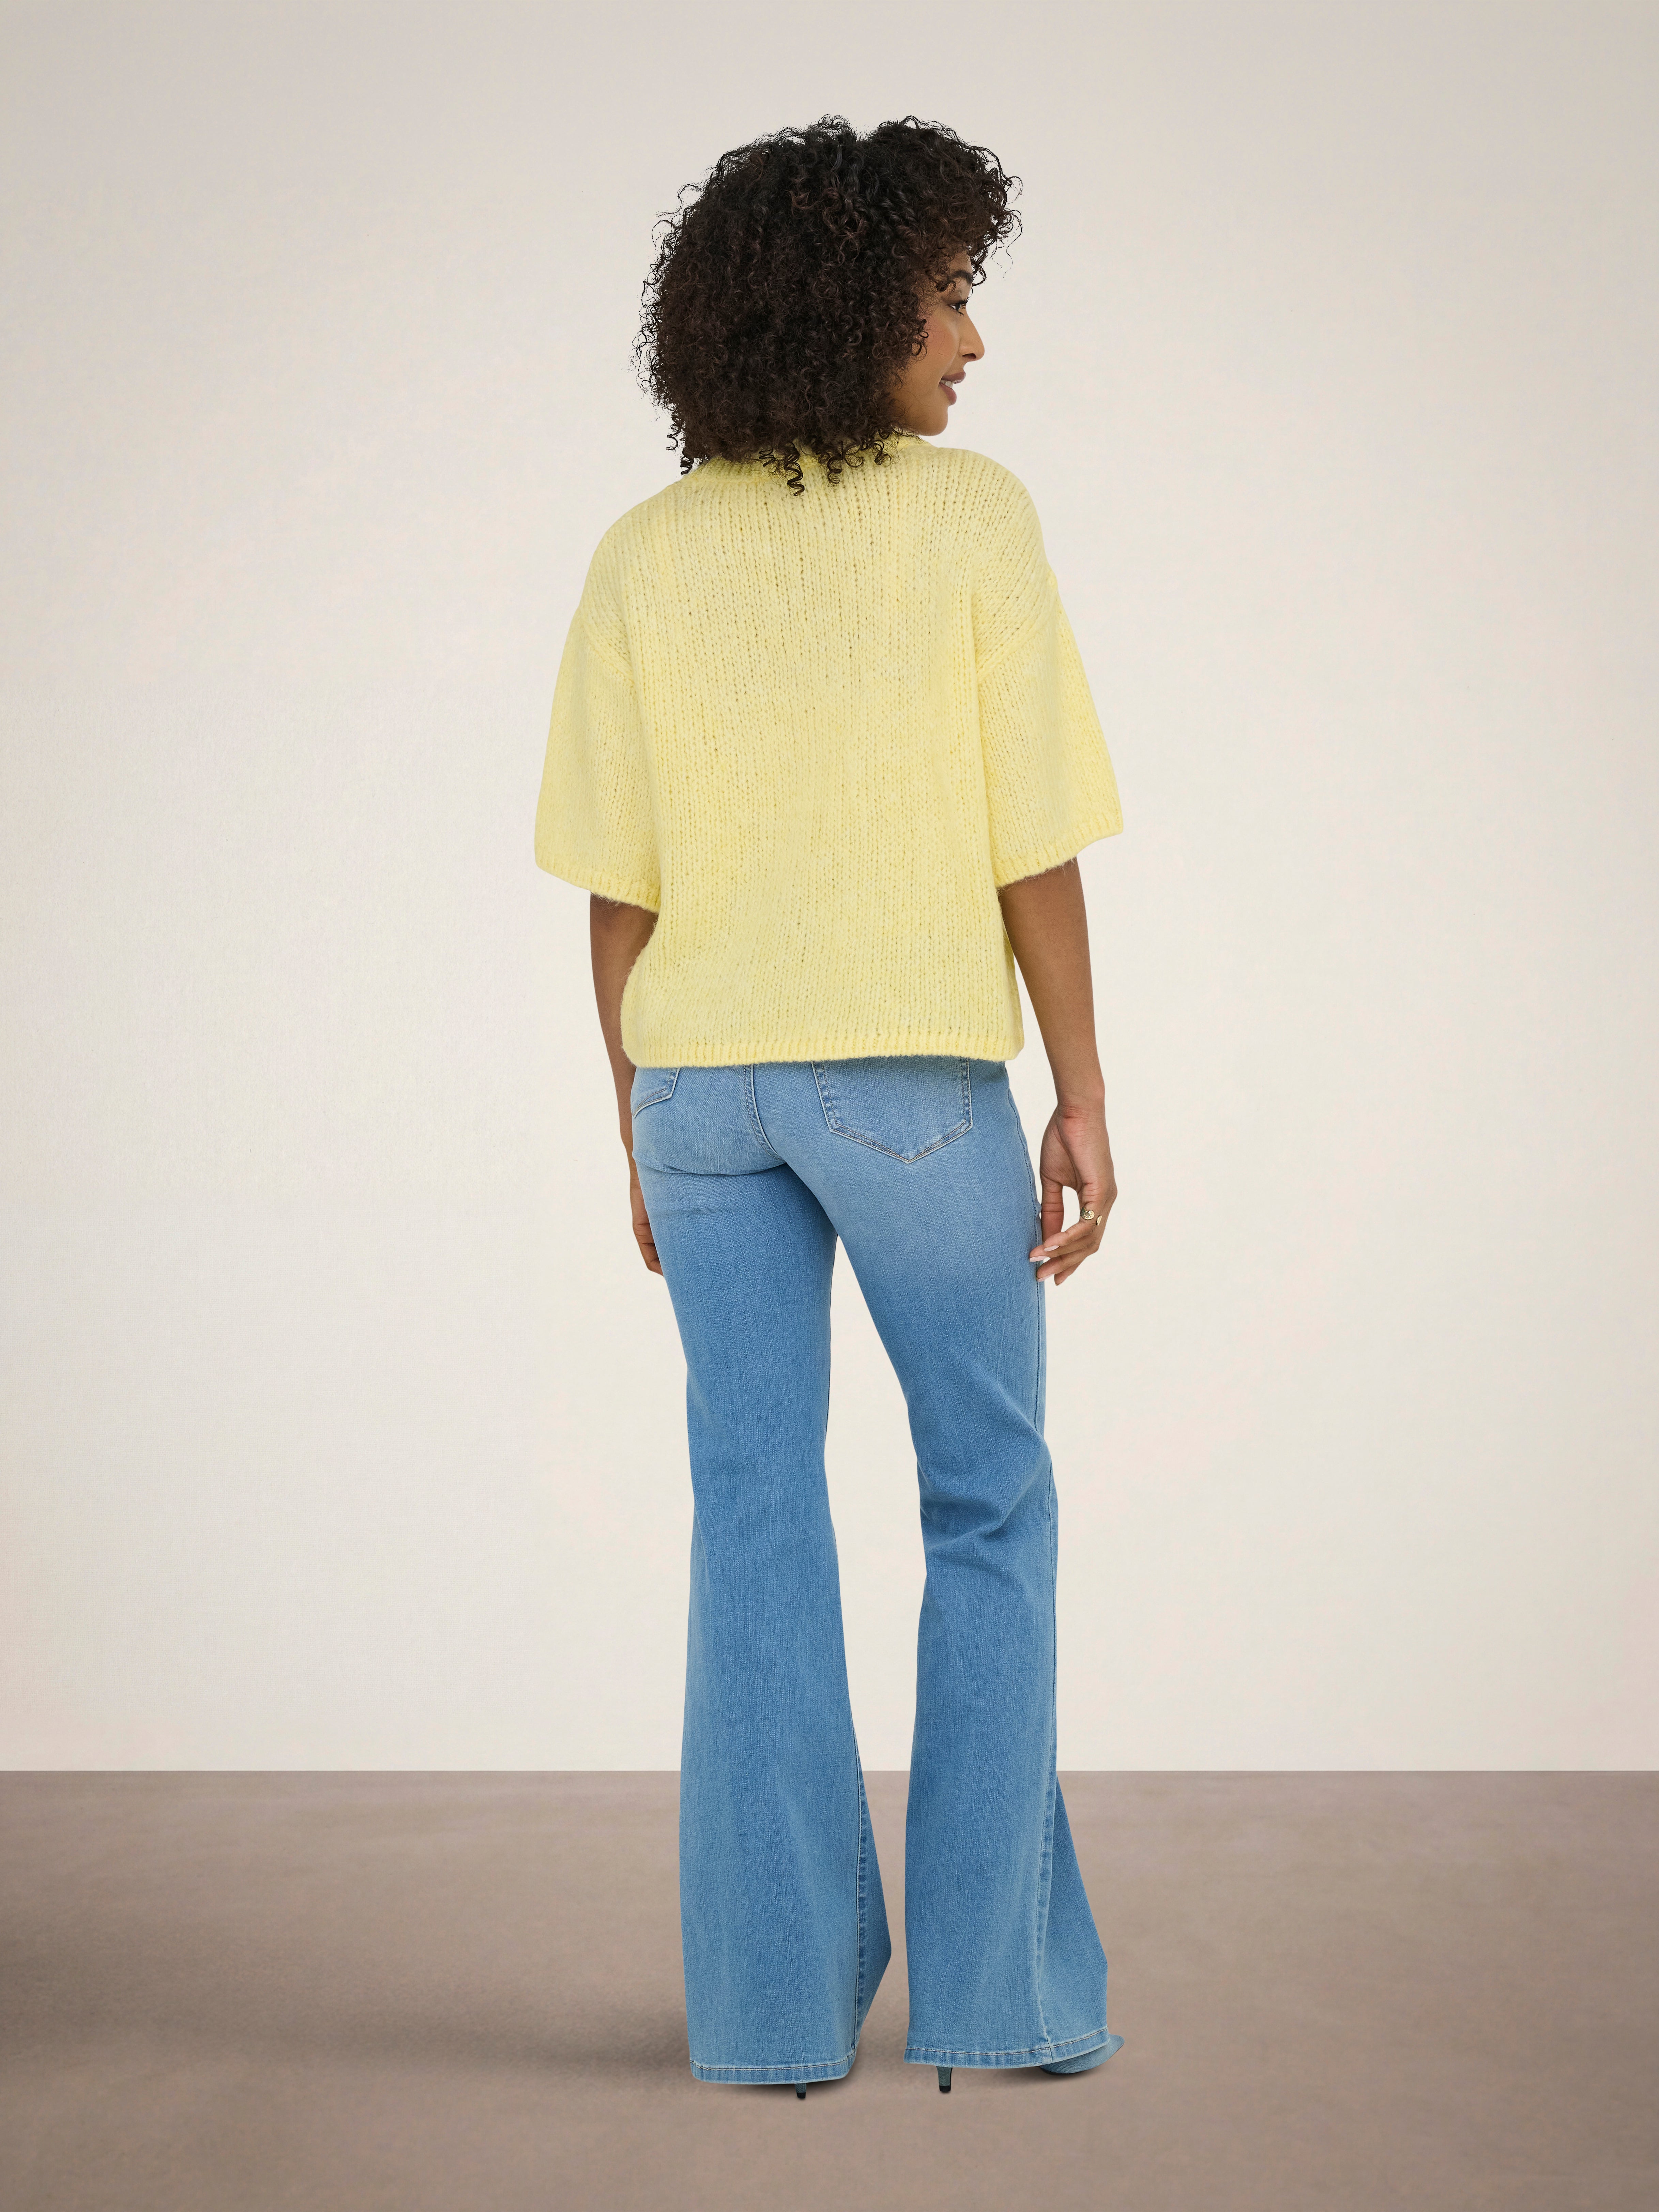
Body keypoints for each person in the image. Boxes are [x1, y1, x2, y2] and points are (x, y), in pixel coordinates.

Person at [535, 114, 1127, 2095]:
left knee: (753, 1517)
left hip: (700, 1094)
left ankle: (771, 2018)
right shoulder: (969, 520)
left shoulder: (644, 552)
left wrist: (634, 1115)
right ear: (858, 304)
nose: (972, 340)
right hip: (908, 1083)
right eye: (949, 297)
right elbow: (1032, 842)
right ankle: (994, 2000)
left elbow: (615, 892)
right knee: (989, 1501)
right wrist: (1082, 1092)